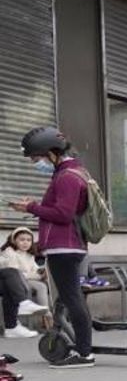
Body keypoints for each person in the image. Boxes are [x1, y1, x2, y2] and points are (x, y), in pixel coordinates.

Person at [8, 129, 95, 365]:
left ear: (51, 153)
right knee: (72, 297)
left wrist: (31, 208)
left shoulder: (67, 176)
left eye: (37, 160)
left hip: (64, 248)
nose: (37, 164)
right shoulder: (70, 172)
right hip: (67, 246)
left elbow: (63, 214)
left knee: (72, 298)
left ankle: (85, 353)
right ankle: (83, 348)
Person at [1, 227, 48, 338]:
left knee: (12, 289)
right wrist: (35, 275)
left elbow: (35, 272)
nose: (25, 243)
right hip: (5, 280)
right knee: (13, 273)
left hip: (10, 285)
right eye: (22, 240)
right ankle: (24, 303)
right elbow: (15, 274)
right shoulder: (9, 252)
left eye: (28, 240)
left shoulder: (30, 256)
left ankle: (11, 328)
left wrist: (41, 273)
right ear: (14, 241)